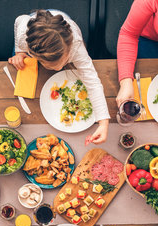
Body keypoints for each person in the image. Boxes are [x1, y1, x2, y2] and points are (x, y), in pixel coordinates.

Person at [9, 10, 111, 145]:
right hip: (35, 31)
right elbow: (19, 19)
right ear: (35, 55)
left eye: (65, 61)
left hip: (63, 24)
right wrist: (19, 51)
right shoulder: (23, 36)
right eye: (51, 67)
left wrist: (103, 122)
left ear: (70, 50)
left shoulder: (77, 46)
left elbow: (92, 81)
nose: (58, 69)